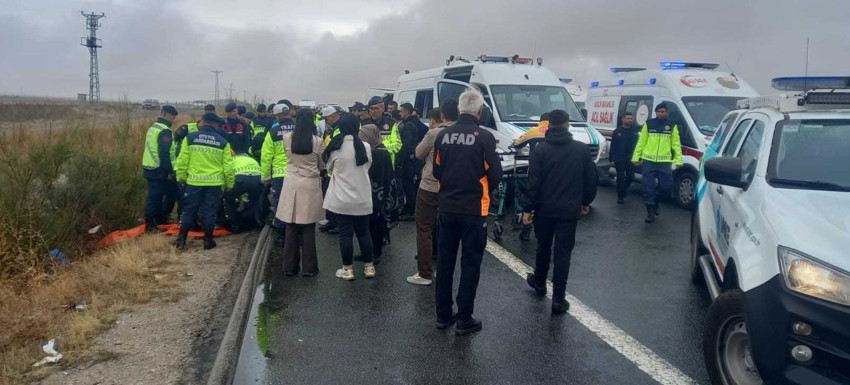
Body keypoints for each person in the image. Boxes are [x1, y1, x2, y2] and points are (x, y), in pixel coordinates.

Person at [433, 88, 502, 335]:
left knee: (445, 262)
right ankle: (464, 318)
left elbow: (436, 171)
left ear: (460, 109)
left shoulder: (443, 136)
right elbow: (495, 175)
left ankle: (442, 315)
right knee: (470, 264)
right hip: (474, 210)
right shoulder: (484, 138)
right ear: (480, 111)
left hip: (446, 208)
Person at [521, 109, 597, 315]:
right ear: (567, 124)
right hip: (569, 211)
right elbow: (591, 179)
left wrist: (527, 208)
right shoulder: (581, 150)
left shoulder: (541, 150)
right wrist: (585, 202)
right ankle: (558, 299)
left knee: (543, 247)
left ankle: (539, 282)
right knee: (563, 253)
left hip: (544, 210)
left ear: (549, 124)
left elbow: (533, 182)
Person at [407, 102, 457, 286]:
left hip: (430, 185)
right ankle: (446, 271)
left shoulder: (435, 133)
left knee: (424, 228)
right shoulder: (464, 132)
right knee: (449, 229)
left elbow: (419, 153)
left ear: (442, 116)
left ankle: (425, 273)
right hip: (454, 187)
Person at [323, 113, 374, 281]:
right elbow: (368, 165)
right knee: (364, 233)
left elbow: (329, 169)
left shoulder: (335, 146)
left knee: (345, 234)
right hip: (362, 197)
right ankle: (369, 267)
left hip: (342, 199)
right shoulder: (365, 146)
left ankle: (347, 269)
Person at [173, 113, 235, 250]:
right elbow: (228, 167)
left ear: (203, 122)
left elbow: (182, 161)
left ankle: (181, 240)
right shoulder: (223, 142)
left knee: (188, 210)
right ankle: (208, 241)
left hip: (194, 183)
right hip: (214, 184)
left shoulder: (189, 138)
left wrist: (181, 177)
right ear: (216, 125)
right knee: (210, 212)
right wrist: (229, 184)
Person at [277, 109, 326, 277]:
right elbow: (322, 165)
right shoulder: (318, 141)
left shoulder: (287, 138)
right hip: (310, 183)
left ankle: (289, 267)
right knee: (308, 226)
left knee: (290, 225)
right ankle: (309, 268)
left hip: (291, 182)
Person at [359, 123, 404, 265]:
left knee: (376, 224)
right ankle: (367, 251)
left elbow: (376, 174)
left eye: (364, 137)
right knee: (368, 224)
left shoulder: (380, 152)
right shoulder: (375, 150)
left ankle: (375, 253)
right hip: (374, 191)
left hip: (378, 193)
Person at [631, 102, 682, 223]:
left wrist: (679, 160)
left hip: (664, 162)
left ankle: (656, 201)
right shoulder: (649, 124)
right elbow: (641, 142)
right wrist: (636, 157)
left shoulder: (672, 126)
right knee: (648, 187)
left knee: (667, 187)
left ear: (666, 112)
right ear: (656, 112)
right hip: (649, 161)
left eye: (663, 111)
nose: (660, 113)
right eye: (658, 112)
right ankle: (650, 211)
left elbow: (676, 144)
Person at [512, 112, 551, 241]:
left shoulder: (534, 131)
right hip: (553, 175)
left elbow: (518, 143)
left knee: (530, 199)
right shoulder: (557, 133)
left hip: (534, 172)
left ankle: (526, 231)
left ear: (541, 121)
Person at [142, 105, 179, 232]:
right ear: (166, 114)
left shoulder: (154, 127)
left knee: (158, 195)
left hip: (149, 166)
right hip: (159, 169)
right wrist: (169, 171)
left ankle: (158, 221)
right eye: (173, 117)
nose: (173, 120)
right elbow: (164, 153)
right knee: (155, 197)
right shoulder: (165, 130)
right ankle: (151, 226)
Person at [262, 103, 294, 245]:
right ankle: (296, 234)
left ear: (277, 116)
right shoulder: (299, 129)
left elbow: (266, 156)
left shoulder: (273, 132)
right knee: (296, 203)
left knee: (280, 204)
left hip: (279, 174)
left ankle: (281, 235)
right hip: (297, 173)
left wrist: (266, 176)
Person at [224, 152, 263, 234]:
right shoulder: (253, 159)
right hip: (257, 180)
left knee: (229, 200)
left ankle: (235, 226)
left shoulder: (233, 159)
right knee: (255, 200)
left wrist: (226, 187)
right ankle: (258, 222)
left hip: (240, 180)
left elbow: (227, 172)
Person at [318, 105, 343, 234]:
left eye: (326, 118)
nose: (325, 121)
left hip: (335, 169)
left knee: (334, 197)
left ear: (332, 117)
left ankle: (337, 222)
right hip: (329, 168)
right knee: (328, 195)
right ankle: (331, 220)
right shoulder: (332, 128)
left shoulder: (339, 129)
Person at [396, 103, 422, 219]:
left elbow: (406, 145)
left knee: (408, 184)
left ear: (406, 111)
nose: (400, 113)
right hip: (411, 158)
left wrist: (400, 160)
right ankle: (410, 207)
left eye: (401, 111)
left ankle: (410, 209)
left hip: (408, 160)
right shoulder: (412, 123)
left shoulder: (408, 126)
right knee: (409, 184)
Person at [610, 112, 640, 204]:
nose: (630, 120)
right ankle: (620, 196)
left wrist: (638, 157)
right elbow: (613, 145)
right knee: (620, 177)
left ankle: (623, 190)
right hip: (620, 158)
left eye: (631, 118)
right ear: (623, 119)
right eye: (628, 118)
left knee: (631, 177)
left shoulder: (635, 131)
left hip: (631, 158)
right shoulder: (618, 131)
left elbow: (638, 146)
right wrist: (611, 159)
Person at [363, 96, 401, 161]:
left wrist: (381, 149)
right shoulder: (364, 124)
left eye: (376, 108)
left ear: (383, 109)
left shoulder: (391, 124)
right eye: (371, 108)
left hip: (386, 162)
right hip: (369, 162)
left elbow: (397, 145)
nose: (373, 111)